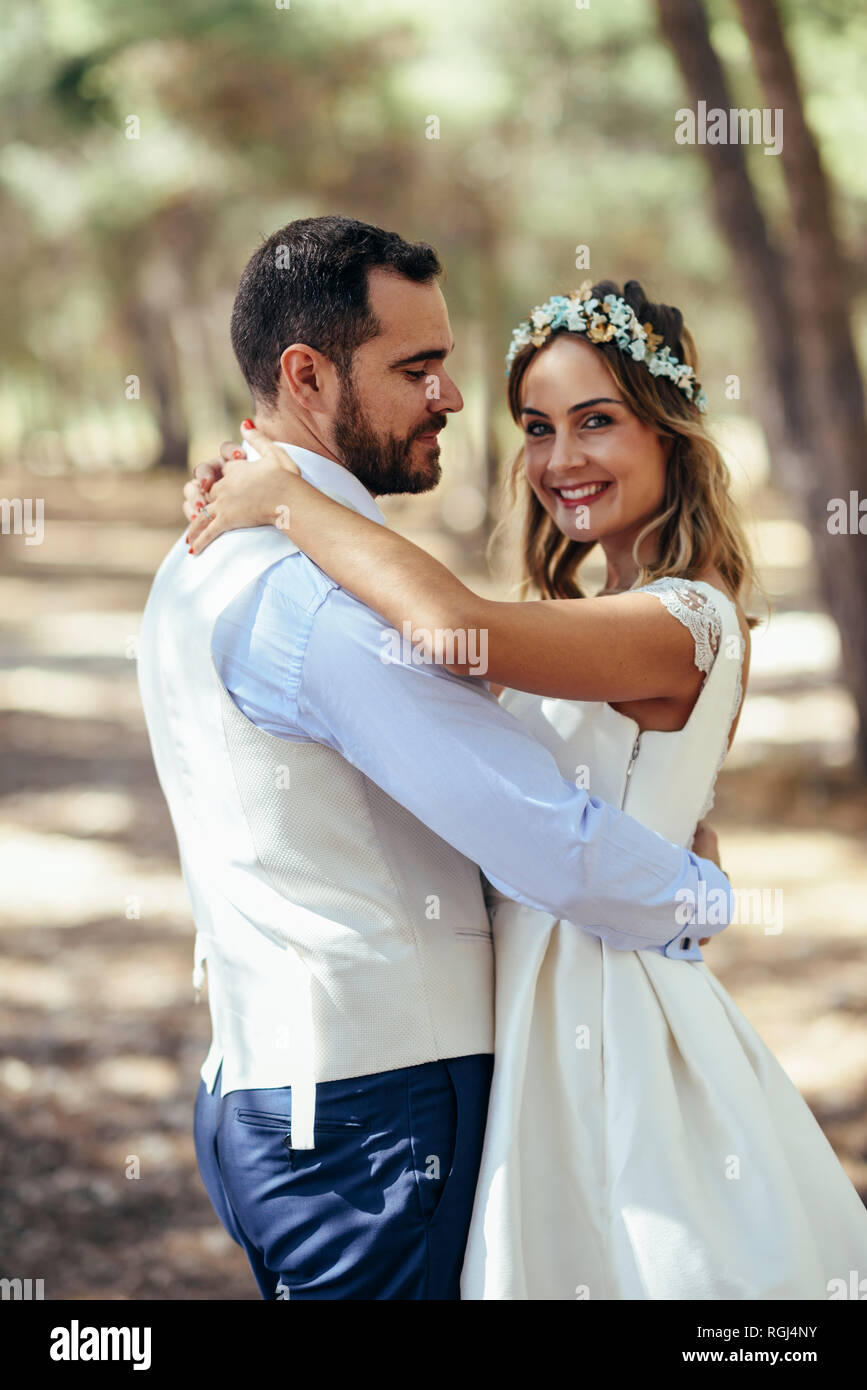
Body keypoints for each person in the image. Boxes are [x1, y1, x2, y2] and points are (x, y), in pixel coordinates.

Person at [186, 274, 867, 1299]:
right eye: (538, 428)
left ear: (670, 434)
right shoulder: (602, 614)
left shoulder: (681, 618)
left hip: (616, 1019)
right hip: (539, 1009)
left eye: (597, 421)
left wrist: (285, 498)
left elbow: (452, 627)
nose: (560, 460)